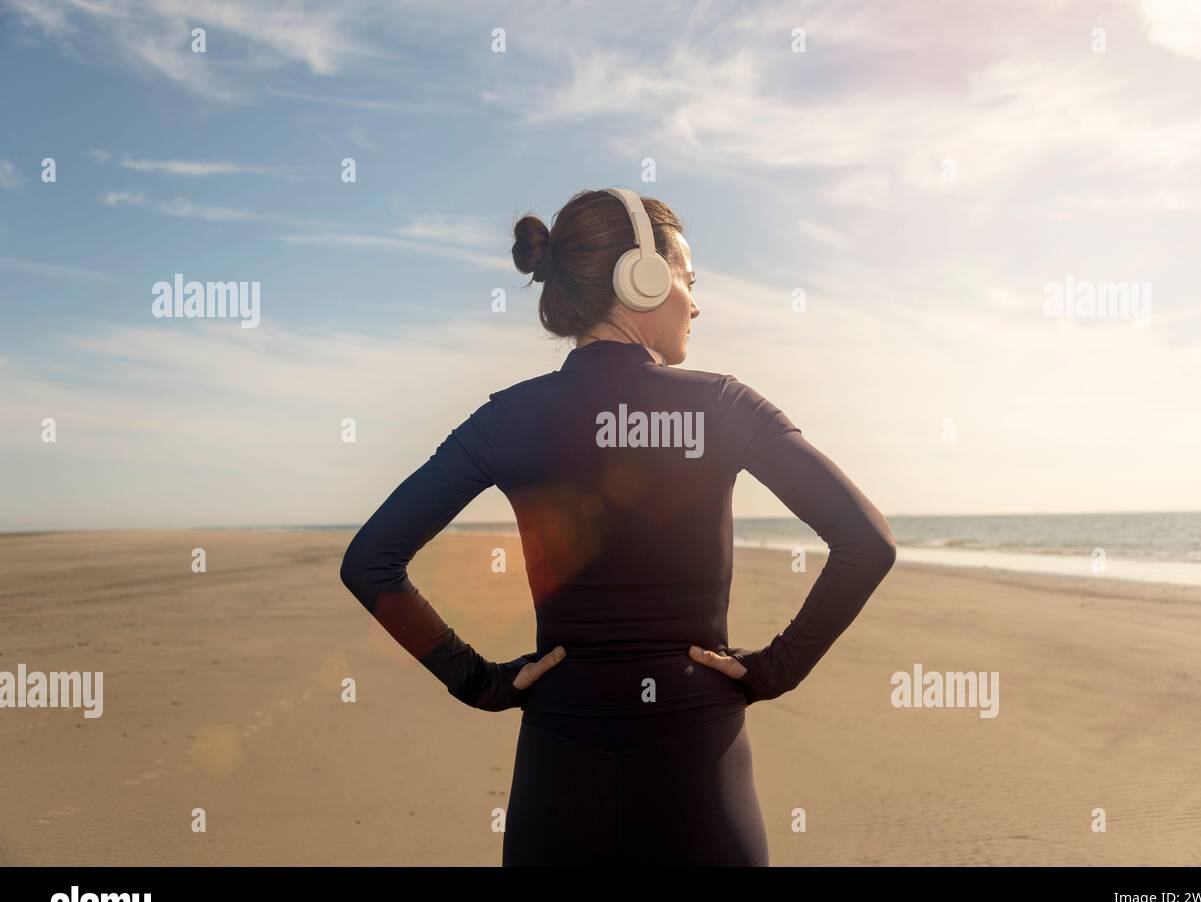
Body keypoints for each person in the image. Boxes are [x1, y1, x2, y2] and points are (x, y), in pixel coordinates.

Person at [339, 187, 897, 866]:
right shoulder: (721, 407)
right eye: (688, 282)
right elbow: (867, 543)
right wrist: (774, 670)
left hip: (559, 767)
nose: (695, 302)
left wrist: (479, 682)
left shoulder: (509, 418)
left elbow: (370, 562)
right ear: (644, 278)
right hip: (700, 765)